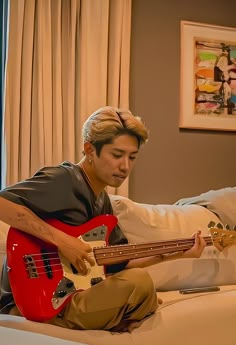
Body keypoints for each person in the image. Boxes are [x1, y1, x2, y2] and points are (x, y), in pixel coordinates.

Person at [0, 106, 206, 332]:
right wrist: (61, 240)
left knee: (137, 283)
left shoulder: (103, 203)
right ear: (90, 149)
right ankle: (122, 317)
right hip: (31, 302)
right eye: (117, 155)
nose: (125, 166)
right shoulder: (64, 180)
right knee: (140, 284)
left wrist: (178, 253)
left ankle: (122, 316)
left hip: (75, 295)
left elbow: (119, 261)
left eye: (132, 157)